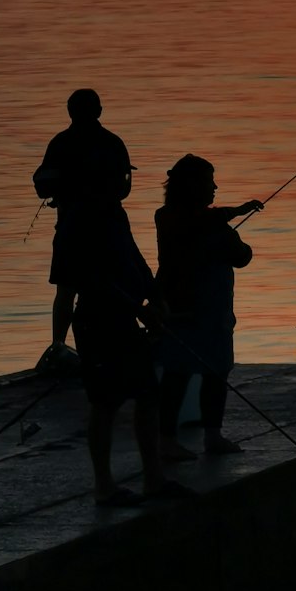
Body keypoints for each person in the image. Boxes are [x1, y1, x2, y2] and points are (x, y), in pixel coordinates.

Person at [71, 203, 190, 507]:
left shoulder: (116, 213)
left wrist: (156, 297)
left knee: (148, 394)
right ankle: (104, 487)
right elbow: (94, 278)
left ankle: (154, 479)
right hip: (97, 323)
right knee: (105, 403)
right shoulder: (83, 217)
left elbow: (135, 259)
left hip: (125, 322)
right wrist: (139, 310)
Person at [154, 155, 263, 458]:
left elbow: (204, 224)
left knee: (178, 374)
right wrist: (236, 214)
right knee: (213, 374)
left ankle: (168, 440)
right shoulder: (209, 226)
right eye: (208, 180)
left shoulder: (165, 217)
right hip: (205, 313)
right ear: (191, 184)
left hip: (177, 309)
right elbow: (241, 256)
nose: (215, 186)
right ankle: (210, 438)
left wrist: (230, 215)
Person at [32, 89, 133, 374]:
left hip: (70, 229)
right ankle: (107, 347)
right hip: (109, 229)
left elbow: (43, 184)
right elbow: (124, 189)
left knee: (66, 289)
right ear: (99, 111)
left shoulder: (60, 143)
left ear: (70, 113)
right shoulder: (113, 143)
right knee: (112, 287)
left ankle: (58, 346)